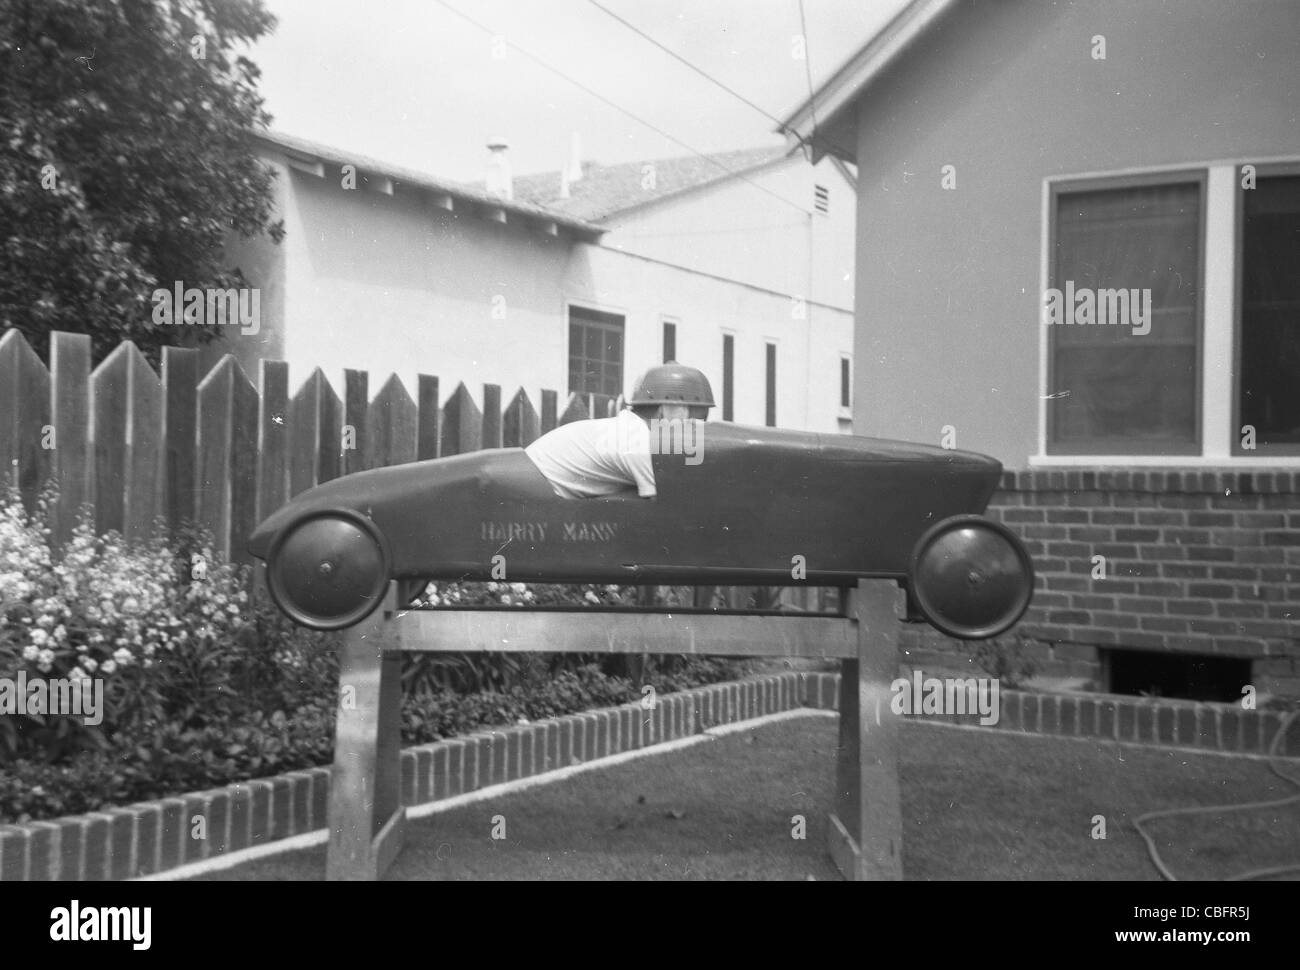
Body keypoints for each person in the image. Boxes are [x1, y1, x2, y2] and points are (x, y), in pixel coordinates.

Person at [524, 362, 714, 499]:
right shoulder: (639, 443)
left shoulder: (627, 428)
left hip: (538, 484)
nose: (696, 430)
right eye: (695, 419)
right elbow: (663, 504)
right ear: (667, 409)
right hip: (534, 493)